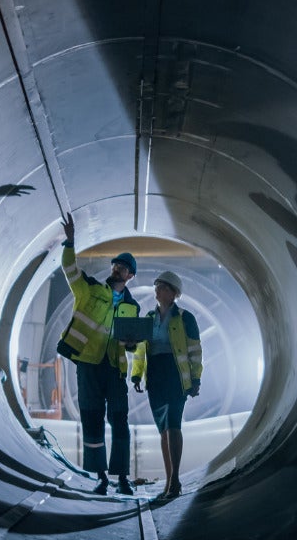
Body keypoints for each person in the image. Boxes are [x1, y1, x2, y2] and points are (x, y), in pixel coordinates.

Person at [57, 214, 140, 495]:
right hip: (88, 366)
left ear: (130, 276)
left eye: (124, 267)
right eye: (116, 264)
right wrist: (69, 242)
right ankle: (102, 478)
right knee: (92, 419)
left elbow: (132, 345)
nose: (118, 269)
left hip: (115, 369)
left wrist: (131, 344)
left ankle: (123, 479)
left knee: (119, 422)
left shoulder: (133, 307)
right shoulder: (90, 289)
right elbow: (69, 268)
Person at [129, 271, 202, 500]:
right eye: (156, 286)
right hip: (156, 376)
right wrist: (136, 375)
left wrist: (196, 379)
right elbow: (140, 350)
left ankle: (176, 479)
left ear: (173, 293)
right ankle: (169, 479)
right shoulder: (149, 317)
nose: (157, 290)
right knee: (163, 430)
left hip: (175, 376)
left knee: (173, 425)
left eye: (162, 287)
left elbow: (194, 351)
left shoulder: (185, 318)